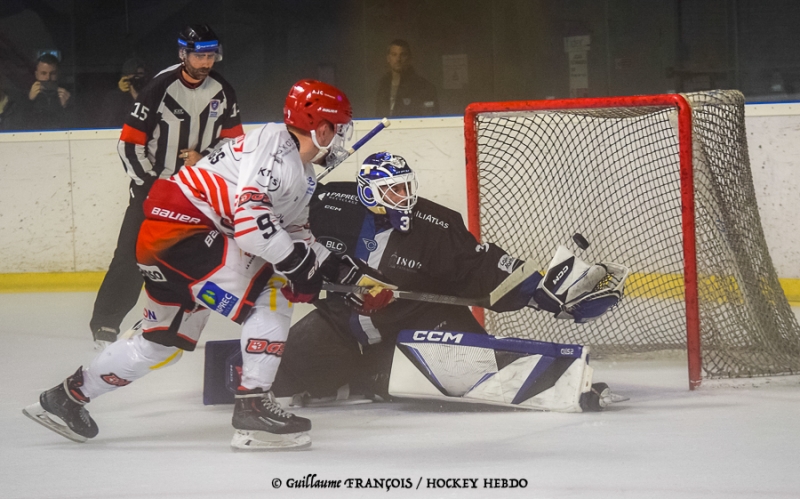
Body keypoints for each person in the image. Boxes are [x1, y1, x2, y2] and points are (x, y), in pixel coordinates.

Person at [23, 79, 395, 451]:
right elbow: (252, 231)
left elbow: (296, 235)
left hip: (166, 242)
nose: (342, 138)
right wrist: (299, 270)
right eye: (340, 128)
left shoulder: (301, 173)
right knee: (272, 293)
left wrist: (349, 274)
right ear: (322, 127)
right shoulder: (273, 145)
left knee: (159, 344)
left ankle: (66, 398)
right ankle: (252, 408)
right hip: (185, 234)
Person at [269, 152, 624, 405]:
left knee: (474, 367)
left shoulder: (436, 225)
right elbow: (273, 225)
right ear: (367, 193)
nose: (404, 198)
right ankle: (363, 377)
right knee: (279, 377)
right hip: (338, 326)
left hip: (415, 322)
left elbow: (479, 265)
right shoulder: (327, 203)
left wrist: (540, 292)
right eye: (393, 191)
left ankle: (372, 377)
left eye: (406, 187)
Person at [90, 25, 243, 347]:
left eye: (210, 55)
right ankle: (105, 323)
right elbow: (130, 145)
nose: (205, 62)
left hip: (197, 197)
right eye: (199, 55)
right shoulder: (159, 87)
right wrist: (151, 188)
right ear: (182, 54)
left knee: (191, 261)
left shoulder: (223, 91)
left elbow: (234, 145)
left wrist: (205, 159)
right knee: (131, 257)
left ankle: (171, 321)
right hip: (153, 193)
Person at [375, 39, 438, 117]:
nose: (398, 59)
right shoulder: (381, 85)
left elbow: (430, 119)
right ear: (388, 58)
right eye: (394, 54)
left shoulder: (423, 87)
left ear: (409, 58)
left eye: (403, 55)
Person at [24, 53, 73, 129]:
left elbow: (76, 127)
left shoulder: (69, 96)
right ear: (36, 75)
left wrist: (66, 107)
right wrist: (29, 101)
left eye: (52, 73)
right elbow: (20, 126)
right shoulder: (24, 97)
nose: (48, 78)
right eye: (43, 73)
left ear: (59, 74)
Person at [98, 58, 149, 128]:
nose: (137, 78)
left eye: (140, 74)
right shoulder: (114, 98)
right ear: (125, 77)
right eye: (133, 74)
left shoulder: (150, 96)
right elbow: (107, 123)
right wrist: (119, 93)